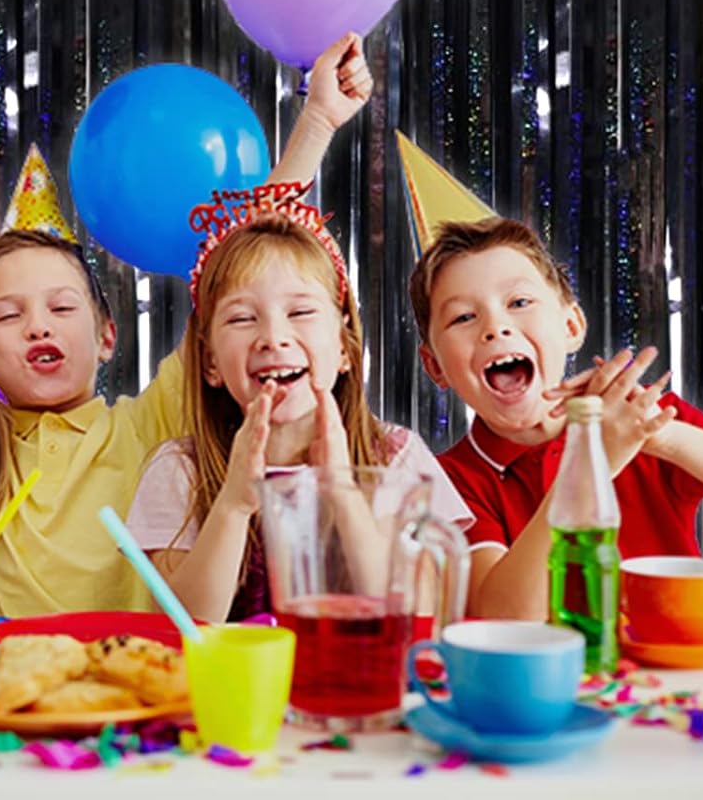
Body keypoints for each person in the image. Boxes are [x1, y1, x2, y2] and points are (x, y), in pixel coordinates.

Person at [0, 32, 373, 615]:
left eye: (62, 308)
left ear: (107, 335)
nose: (38, 327)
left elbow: (236, 267)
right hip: (12, 667)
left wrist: (318, 121)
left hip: (136, 663)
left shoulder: (148, 425)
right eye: (9, 315)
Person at [409, 215, 703, 620]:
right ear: (435, 366)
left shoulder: (642, 418)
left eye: (519, 302)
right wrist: (590, 466)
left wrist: (660, 436)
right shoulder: (446, 481)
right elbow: (506, 617)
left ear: (571, 325)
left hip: (678, 665)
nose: (495, 327)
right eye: (463, 317)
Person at [125, 194, 470, 621]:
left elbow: (414, 612)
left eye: (301, 311)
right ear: (210, 361)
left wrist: (341, 489)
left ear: (343, 346)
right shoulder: (181, 469)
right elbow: (184, 625)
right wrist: (233, 503)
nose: (274, 337)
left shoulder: (397, 457)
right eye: (241, 318)